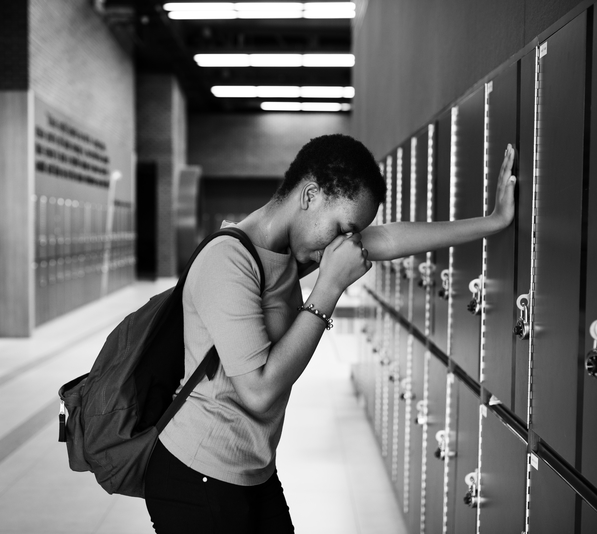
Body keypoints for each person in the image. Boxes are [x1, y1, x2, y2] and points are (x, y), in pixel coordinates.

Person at [144, 134, 517, 533]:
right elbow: (258, 390)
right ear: (309, 196)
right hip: (196, 475)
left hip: (252, 469)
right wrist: (328, 289)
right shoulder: (228, 260)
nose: (342, 244)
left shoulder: (286, 253)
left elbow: (389, 238)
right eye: (342, 227)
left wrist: (493, 221)